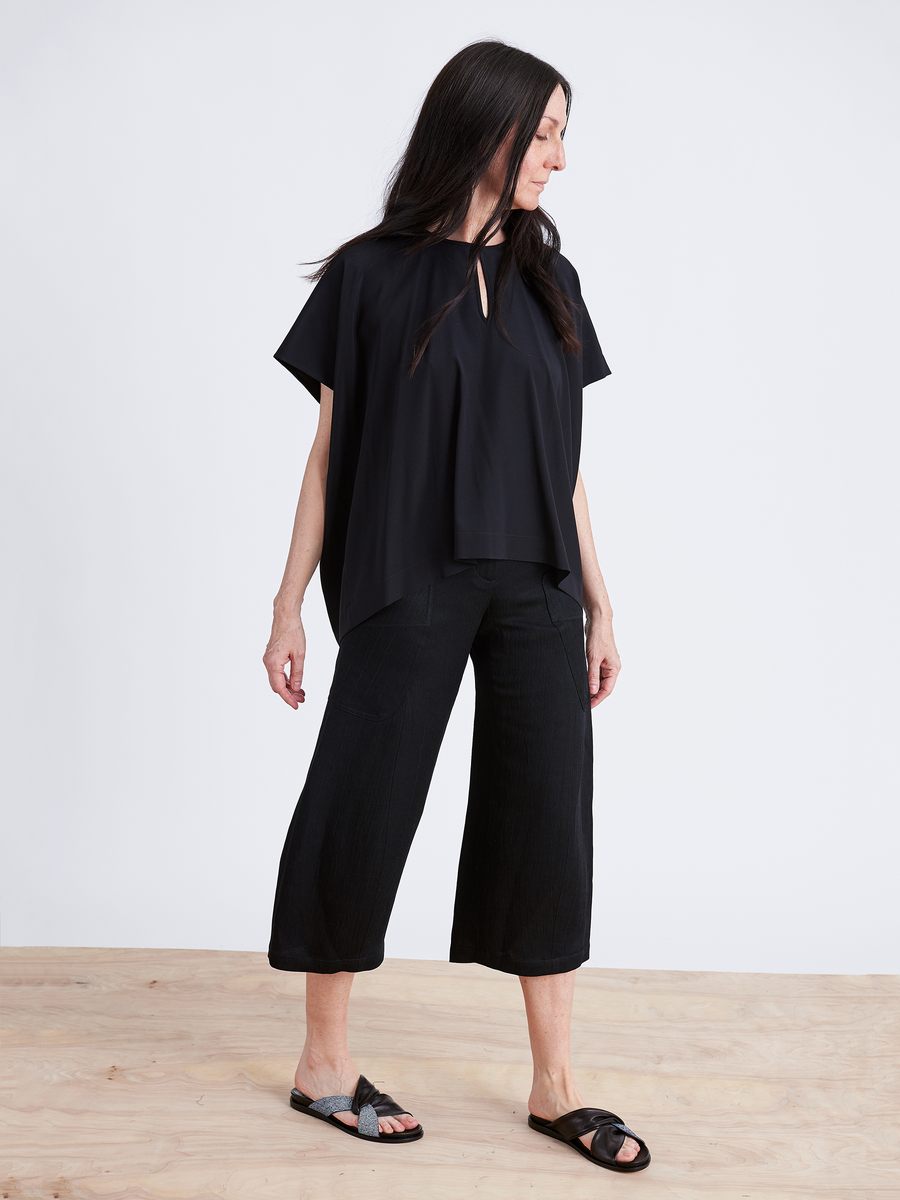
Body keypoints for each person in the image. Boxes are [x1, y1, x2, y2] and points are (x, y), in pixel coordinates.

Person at [262, 40, 650, 1174]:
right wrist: (287, 603)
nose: (561, 160)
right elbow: (330, 454)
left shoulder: (550, 279)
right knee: (363, 800)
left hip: (535, 580)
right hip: (406, 571)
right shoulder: (372, 276)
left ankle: (555, 1087)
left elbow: (564, 458)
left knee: (548, 816)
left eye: (563, 135)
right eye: (543, 135)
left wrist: (602, 600)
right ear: (481, 130)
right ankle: (322, 1067)